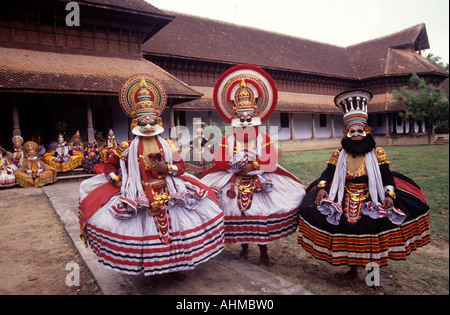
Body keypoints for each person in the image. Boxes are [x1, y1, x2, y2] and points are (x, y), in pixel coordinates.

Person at [78, 74, 224, 277]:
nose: (147, 126)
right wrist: (117, 180)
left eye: (151, 121)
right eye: (143, 122)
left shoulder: (168, 144)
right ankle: (150, 272)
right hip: (138, 193)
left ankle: (176, 267)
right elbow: (109, 168)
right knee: (148, 237)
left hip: (168, 190)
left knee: (176, 233)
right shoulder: (126, 147)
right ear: (135, 122)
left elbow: (180, 167)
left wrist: (166, 169)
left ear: (157, 120)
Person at [297, 89, 431, 284]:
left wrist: (389, 195)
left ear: (367, 131)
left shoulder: (377, 153)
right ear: (346, 133)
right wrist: (322, 188)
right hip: (345, 194)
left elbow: (386, 177)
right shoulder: (338, 154)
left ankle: (373, 278)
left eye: (361, 130)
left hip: (371, 197)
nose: (357, 134)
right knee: (348, 232)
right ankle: (352, 269)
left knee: (372, 236)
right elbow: (328, 174)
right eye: (353, 131)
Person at [200, 65, 305, 266]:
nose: (245, 120)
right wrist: (234, 164)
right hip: (233, 179)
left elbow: (272, 159)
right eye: (241, 116)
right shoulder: (228, 138)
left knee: (261, 214)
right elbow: (219, 159)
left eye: (248, 116)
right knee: (236, 212)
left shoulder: (263, 138)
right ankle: (244, 248)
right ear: (235, 117)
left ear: (255, 116)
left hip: (259, 179)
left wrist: (254, 164)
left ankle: (264, 252)